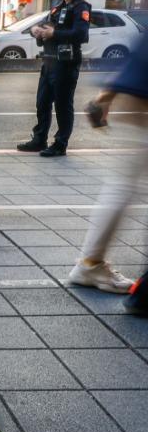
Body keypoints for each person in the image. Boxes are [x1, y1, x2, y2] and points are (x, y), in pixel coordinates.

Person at [66, 31, 148, 297]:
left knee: (123, 184)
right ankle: (90, 264)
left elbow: (140, 53)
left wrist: (105, 96)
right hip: (141, 95)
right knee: (124, 185)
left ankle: (91, 262)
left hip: (136, 92)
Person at [16, 0, 91, 158]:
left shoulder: (81, 8)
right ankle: (39, 139)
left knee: (63, 106)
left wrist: (54, 34)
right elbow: (42, 25)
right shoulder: (57, 7)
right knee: (42, 103)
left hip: (66, 64)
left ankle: (60, 143)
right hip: (49, 62)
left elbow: (81, 34)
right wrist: (35, 30)